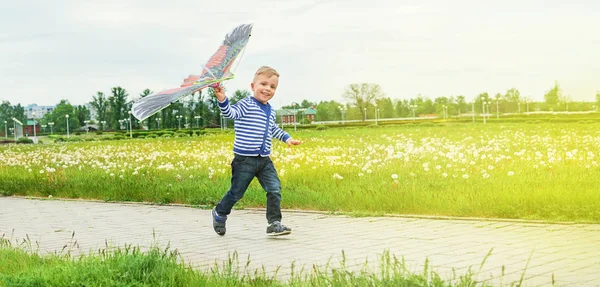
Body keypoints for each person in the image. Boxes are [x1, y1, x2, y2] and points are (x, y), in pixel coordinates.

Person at [211, 66, 301, 236]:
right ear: (253, 86)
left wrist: (287, 138)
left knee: (274, 188)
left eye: (272, 86)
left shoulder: (270, 110)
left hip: (264, 160)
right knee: (236, 192)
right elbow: (231, 114)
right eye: (263, 84)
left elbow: (273, 129)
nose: (268, 89)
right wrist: (222, 99)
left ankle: (274, 223)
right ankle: (220, 213)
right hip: (244, 159)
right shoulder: (246, 104)